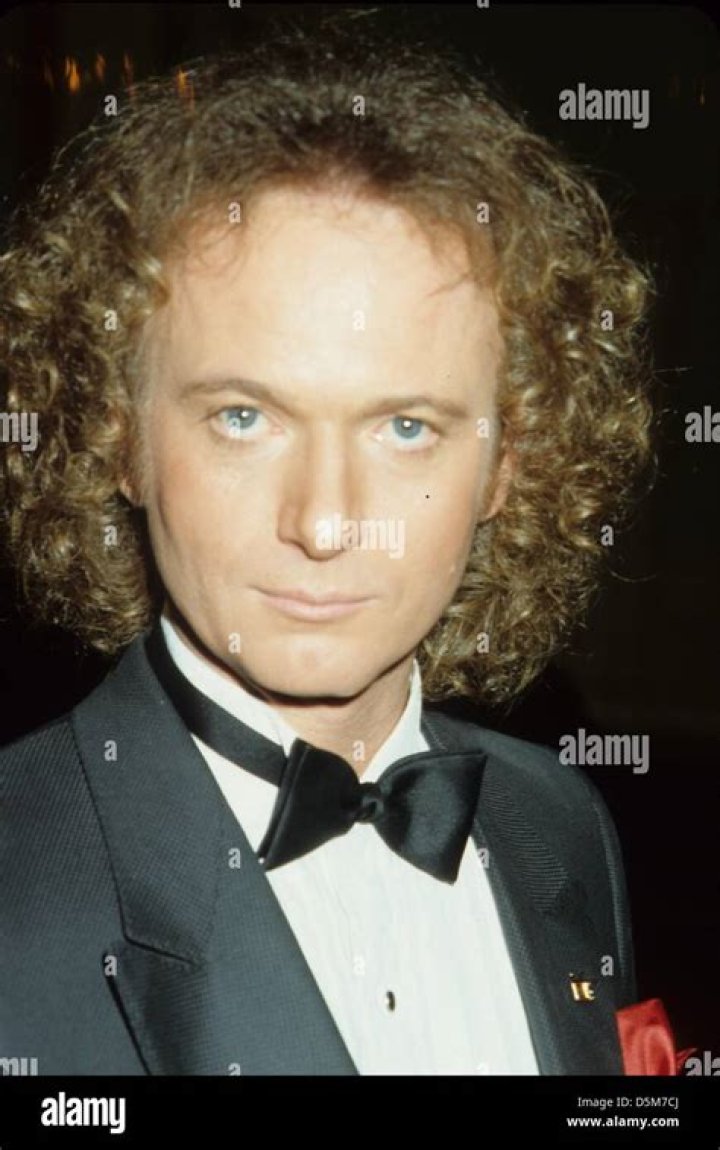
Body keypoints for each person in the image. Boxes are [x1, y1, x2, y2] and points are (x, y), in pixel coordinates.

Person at [0, 11, 654, 1075]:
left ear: (509, 462)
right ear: (120, 437)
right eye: (243, 417)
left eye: (406, 428)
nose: (324, 522)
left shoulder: (559, 822)